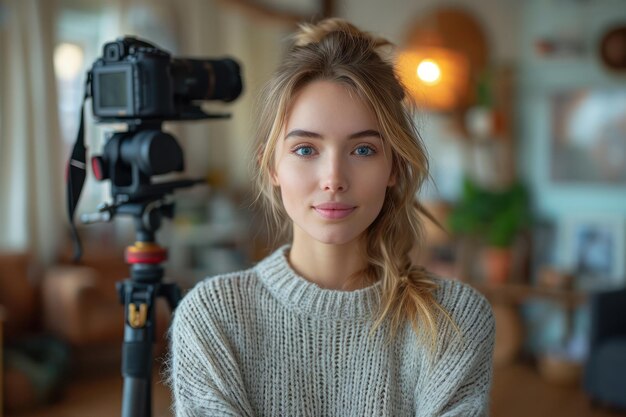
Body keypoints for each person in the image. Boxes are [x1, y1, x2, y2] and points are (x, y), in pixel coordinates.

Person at [168, 18, 495, 417]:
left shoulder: (455, 320)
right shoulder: (213, 317)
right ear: (272, 166)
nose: (334, 180)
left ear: (394, 167)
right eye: (306, 149)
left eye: (363, 150)